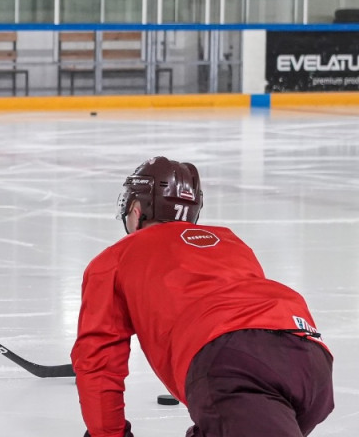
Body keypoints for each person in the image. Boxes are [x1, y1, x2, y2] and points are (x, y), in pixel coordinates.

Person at [70, 156, 333, 437]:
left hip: (231, 364)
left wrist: (108, 434)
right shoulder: (230, 241)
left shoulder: (115, 259)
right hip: (311, 358)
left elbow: (99, 360)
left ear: (136, 209)